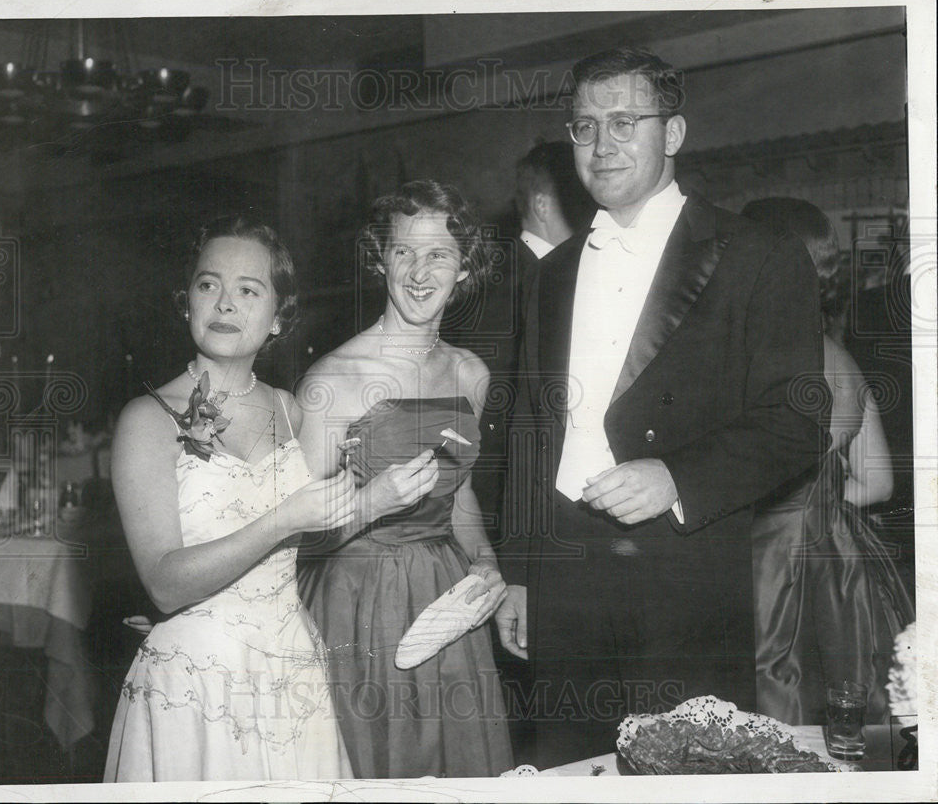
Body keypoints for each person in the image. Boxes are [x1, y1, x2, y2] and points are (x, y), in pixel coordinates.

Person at [494, 47, 827, 768]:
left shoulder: (757, 254)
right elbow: (529, 423)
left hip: (684, 573)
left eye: (624, 121)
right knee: (569, 766)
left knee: (685, 774)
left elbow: (799, 419)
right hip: (564, 573)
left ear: (673, 134)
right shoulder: (550, 274)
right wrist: (520, 571)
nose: (602, 143)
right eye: (585, 126)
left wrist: (677, 475)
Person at [103, 216, 355, 781]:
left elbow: (323, 535)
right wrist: (281, 520)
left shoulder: (296, 413)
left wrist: (381, 496)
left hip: (291, 670)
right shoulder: (146, 420)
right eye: (208, 284)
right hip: (194, 679)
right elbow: (164, 584)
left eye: (248, 290)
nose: (224, 303)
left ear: (279, 317)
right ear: (186, 301)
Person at [296, 180, 514, 778]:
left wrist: (487, 564)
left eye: (439, 253)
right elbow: (292, 540)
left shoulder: (471, 374)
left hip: (445, 600)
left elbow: (459, 490)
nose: (420, 272)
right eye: (403, 252)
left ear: (464, 266)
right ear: (379, 259)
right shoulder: (331, 379)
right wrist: (371, 502)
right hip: (356, 603)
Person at [741, 197, 915, 725]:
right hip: (840, 566)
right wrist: (816, 508)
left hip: (763, 568)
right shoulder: (842, 360)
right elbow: (879, 482)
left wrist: (783, 515)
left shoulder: (747, 363)